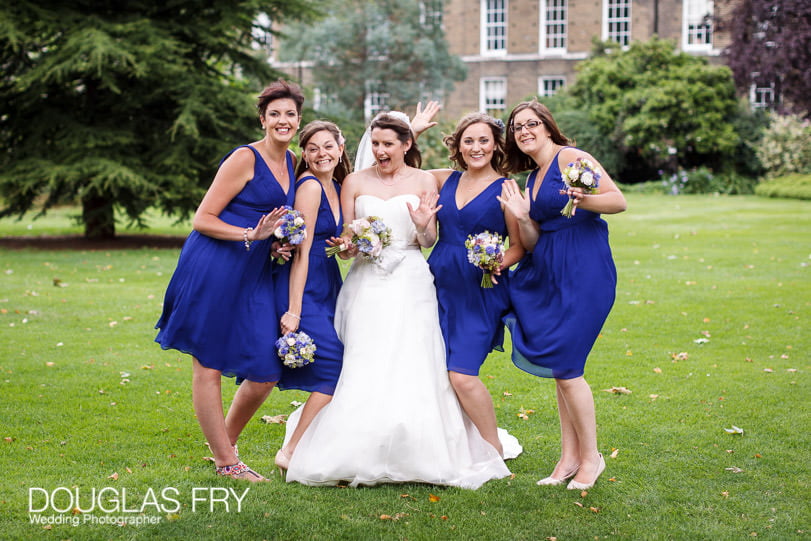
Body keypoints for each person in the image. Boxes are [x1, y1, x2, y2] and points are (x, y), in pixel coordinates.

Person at [281, 112, 511, 488]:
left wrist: (422, 226)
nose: (380, 150)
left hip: (412, 279)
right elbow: (344, 245)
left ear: (406, 146)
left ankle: (422, 445)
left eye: (389, 144)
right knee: (364, 359)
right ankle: (355, 443)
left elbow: (428, 240)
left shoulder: (424, 180)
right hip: (366, 282)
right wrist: (353, 246)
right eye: (375, 144)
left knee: (415, 358)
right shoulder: (354, 181)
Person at [154, 79, 304, 481]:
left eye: (290, 114)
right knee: (209, 363)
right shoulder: (244, 158)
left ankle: (224, 444)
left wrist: (272, 244)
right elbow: (202, 218)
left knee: (266, 368)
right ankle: (226, 462)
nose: (282, 121)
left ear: (298, 120)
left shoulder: (292, 162)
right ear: (262, 119)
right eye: (275, 114)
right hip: (215, 267)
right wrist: (249, 236)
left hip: (254, 272)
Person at [497, 99, 627, 490]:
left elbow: (618, 201)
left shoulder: (571, 157)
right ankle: (569, 457)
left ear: (548, 127)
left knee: (568, 369)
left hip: (584, 270)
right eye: (517, 127)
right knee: (561, 370)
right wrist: (522, 217)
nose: (524, 131)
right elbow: (534, 243)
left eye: (531, 123)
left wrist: (580, 198)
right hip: (548, 271)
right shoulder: (532, 180)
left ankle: (592, 459)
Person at [411, 105, 525, 457]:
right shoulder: (445, 178)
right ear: (458, 146)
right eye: (468, 141)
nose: (476, 147)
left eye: (484, 141)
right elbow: (401, 172)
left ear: (495, 146)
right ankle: (456, 441)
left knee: (462, 374)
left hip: (480, 290)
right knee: (438, 369)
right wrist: (412, 132)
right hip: (437, 282)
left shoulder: (507, 188)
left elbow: (519, 246)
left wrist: (497, 263)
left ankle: (493, 449)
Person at [273, 120, 351, 470]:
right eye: (313, 148)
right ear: (304, 153)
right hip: (305, 283)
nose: (322, 154)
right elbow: (302, 253)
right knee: (334, 365)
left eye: (328, 146)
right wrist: (294, 310)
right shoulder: (310, 186)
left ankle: (317, 445)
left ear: (340, 148)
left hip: (328, 279)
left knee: (341, 364)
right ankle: (290, 450)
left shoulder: (335, 185)